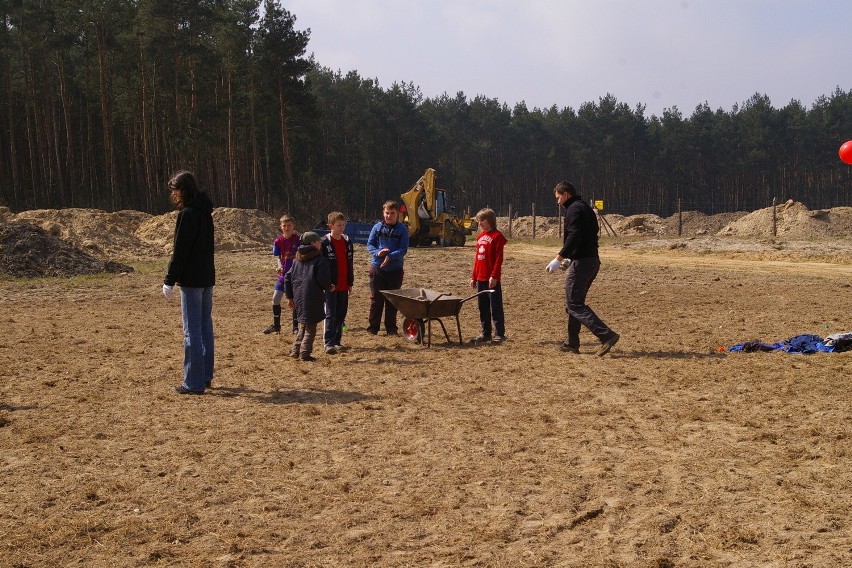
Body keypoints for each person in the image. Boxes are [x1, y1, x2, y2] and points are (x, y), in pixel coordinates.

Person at [547, 181, 620, 356]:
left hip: (582, 263)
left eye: (558, 198)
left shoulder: (573, 210)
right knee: (575, 303)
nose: (558, 202)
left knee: (573, 304)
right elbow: (586, 236)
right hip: (591, 261)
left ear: (565, 195)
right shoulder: (586, 208)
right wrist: (570, 258)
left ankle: (606, 335)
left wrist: (559, 258)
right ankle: (572, 343)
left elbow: (574, 236)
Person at [162, 170, 216, 394]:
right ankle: (204, 376)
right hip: (206, 277)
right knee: (204, 327)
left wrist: (169, 279)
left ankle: (192, 382)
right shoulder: (205, 213)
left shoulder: (188, 215)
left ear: (184, 190)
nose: (173, 194)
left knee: (191, 330)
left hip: (193, 280)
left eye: (175, 190)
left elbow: (181, 251)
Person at [284, 231, 332, 362]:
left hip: (298, 297)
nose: (320, 243)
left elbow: (287, 278)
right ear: (312, 243)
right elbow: (323, 280)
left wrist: (290, 297)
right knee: (311, 328)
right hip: (313, 297)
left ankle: (295, 350)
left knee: (303, 325)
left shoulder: (296, 260)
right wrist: (329, 286)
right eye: (318, 241)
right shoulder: (320, 260)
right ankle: (305, 353)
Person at [366, 200, 409, 335]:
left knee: (392, 300)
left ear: (397, 215)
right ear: (383, 213)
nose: (388, 216)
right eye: (386, 213)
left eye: (392, 213)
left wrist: (390, 256)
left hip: (395, 270)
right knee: (376, 300)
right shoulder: (377, 227)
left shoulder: (402, 229)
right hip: (377, 268)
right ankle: (373, 328)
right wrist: (378, 253)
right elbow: (370, 244)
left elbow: (403, 249)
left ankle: (391, 329)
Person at [470, 208, 507, 343]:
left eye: (482, 221)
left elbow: (499, 259)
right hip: (480, 277)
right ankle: (486, 333)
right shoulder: (480, 237)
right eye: (479, 221)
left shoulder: (497, 237)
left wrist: (494, 276)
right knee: (483, 306)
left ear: (490, 221)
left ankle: (499, 333)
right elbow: (477, 259)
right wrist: (474, 276)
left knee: (495, 306)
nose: (480, 224)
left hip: (491, 279)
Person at [320, 211, 354, 354]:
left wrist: (350, 282)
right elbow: (320, 266)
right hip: (330, 286)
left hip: (344, 285)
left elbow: (350, 263)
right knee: (330, 314)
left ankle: (337, 341)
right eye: (338, 225)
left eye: (343, 225)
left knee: (341, 313)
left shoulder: (347, 242)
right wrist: (325, 283)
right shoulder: (324, 243)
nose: (341, 228)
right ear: (330, 226)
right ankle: (328, 342)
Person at [263, 214, 300, 335]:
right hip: (283, 275)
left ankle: (295, 327)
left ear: (293, 226)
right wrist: (279, 266)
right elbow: (278, 257)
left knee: (294, 301)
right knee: (275, 298)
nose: (287, 228)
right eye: (284, 226)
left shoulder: (298, 240)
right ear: (281, 227)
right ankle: (276, 325)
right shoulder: (278, 241)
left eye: (289, 225)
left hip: (295, 275)